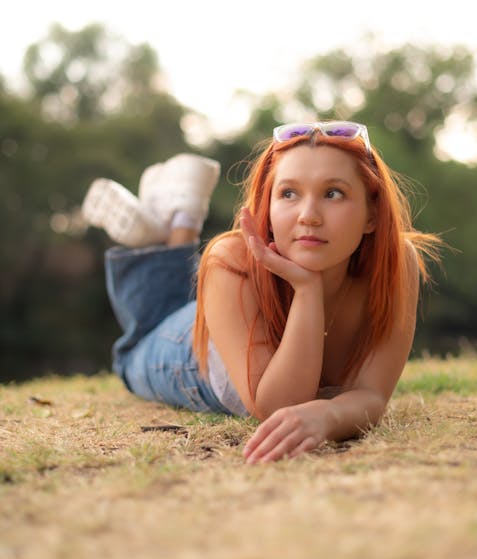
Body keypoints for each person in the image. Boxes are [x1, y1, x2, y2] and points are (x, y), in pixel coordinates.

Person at [82, 120, 440, 464]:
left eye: (333, 193)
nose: (308, 215)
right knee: (135, 350)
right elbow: (280, 404)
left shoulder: (395, 263)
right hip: (189, 350)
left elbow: (373, 395)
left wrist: (328, 415)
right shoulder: (231, 259)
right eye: (288, 193)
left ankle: (173, 222)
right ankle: (178, 227)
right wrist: (307, 287)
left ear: (372, 214)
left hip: (236, 312)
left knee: (179, 301)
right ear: (266, 206)